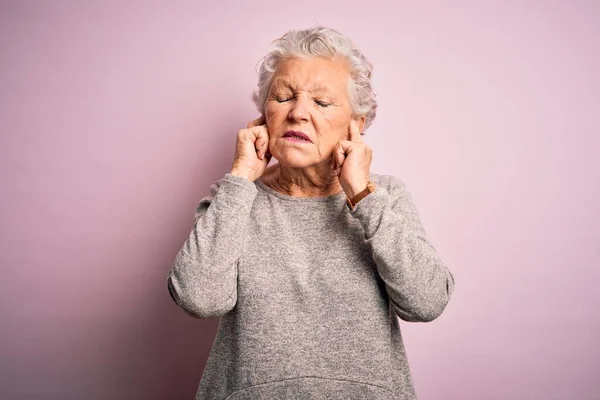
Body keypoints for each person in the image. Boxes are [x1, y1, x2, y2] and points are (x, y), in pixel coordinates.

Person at [167, 26, 455, 400]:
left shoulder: (384, 196)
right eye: (283, 97)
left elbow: (427, 302)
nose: (298, 113)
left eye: (321, 102)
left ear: (356, 125)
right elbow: (198, 298)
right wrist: (241, 177)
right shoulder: (234, 198)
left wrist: (361, 194)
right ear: (263, 116)